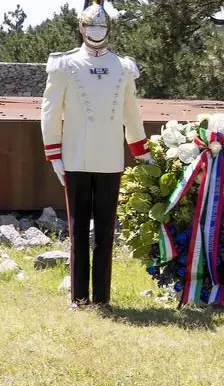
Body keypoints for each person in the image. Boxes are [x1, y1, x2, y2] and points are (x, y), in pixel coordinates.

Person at [41, 0, 153, 311]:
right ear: (80, 28)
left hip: (109, 159)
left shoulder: (123, 66)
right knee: (78, 230)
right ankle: (78, 297)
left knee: (105, 231)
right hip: (75, 157)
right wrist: (54, 153)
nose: (96, 32)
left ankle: (102, 298)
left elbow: (132, 113)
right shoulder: (64, 64)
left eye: (101, 27)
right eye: (91, 26)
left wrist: (140, 150)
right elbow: (50, 112)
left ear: (109, 30)